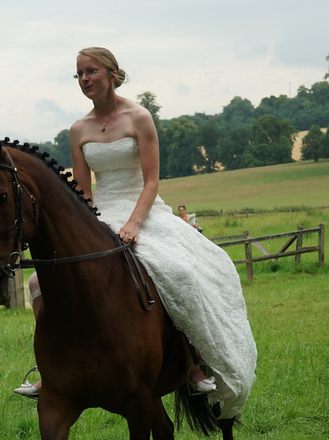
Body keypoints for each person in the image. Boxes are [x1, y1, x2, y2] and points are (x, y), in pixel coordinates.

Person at [15, 47, 256, 419]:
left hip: (142, 209)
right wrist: (86, 229)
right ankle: (53, 369)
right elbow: (83, 194)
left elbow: (152, 181)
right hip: (100, 215)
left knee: (180, 273)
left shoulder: (139, 117)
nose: (84, 80)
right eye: (78, 74)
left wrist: (133, 223)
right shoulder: (78, 129)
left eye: (90, 71)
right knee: (36, 284)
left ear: (112, 73)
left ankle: (192, 362)